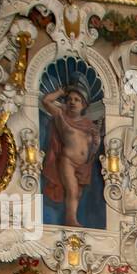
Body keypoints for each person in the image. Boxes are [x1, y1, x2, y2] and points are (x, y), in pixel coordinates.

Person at [41, 77, 101, 227]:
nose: (72, 102)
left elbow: (93, 149)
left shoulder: (89, 125)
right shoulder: (61, 117)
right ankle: (71, 220)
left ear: (84, 105)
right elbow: (46, 101)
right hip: (67, 161)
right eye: (70, 99)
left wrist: (96, 142)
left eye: (77, 99)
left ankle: (71, 218)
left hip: (83, 166)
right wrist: (59, 92)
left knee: (78, 194)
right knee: (72, 191)